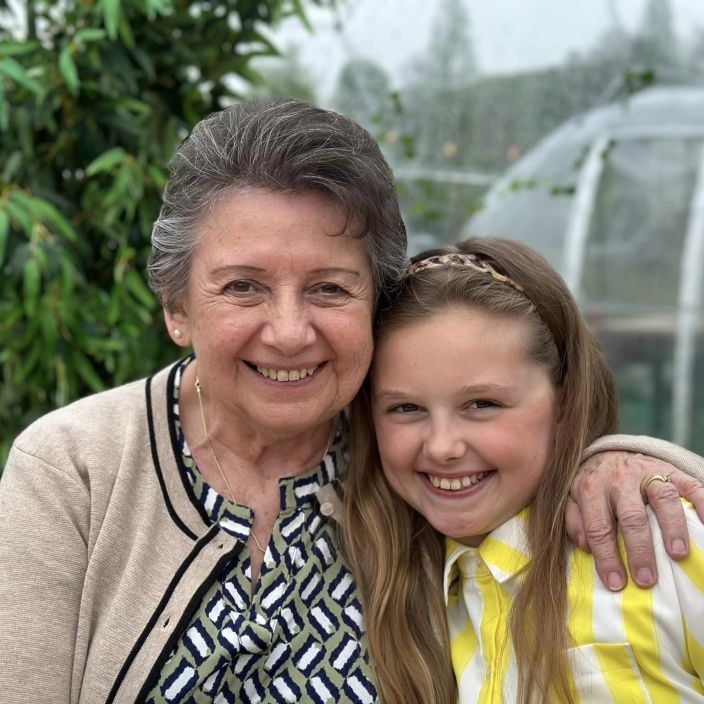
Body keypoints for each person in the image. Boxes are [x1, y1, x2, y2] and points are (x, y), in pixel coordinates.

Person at [0, 98, 702, 704]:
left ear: (376, 305)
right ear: (177, 307)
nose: (288, 332)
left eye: (329, 288)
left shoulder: (402, 455)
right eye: (243, 286)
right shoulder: (77, 466)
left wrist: (614, 458)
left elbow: (516, 447)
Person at [344, 238, 704, 703]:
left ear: (564, 402)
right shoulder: (396, 585)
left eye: (482, 404)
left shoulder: (658, 540)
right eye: (405, 408)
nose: (442, 446)